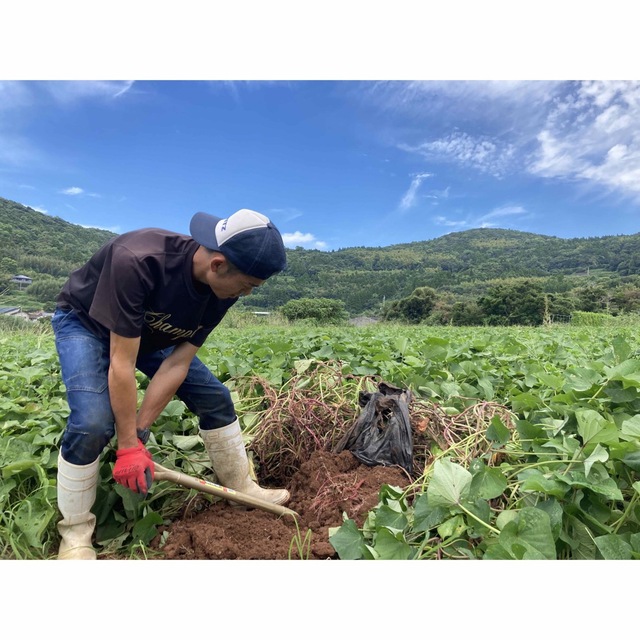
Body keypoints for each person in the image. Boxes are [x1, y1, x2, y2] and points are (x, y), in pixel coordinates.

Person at [52, 208, 289, 560]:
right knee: (92, 423)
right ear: (217, 264)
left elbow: (178, 361)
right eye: (248, 286)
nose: (248, 294)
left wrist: (139, 433)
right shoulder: (139, 259)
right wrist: (126, 443)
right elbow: (122, 362)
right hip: (86, 324)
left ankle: (241, 487)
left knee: (214, 397)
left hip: (149, 333)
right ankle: (75, 534)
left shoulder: (222, 291)